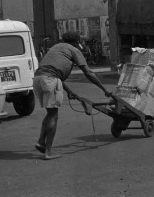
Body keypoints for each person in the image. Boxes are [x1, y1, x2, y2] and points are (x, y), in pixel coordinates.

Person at [33, 30, 112, 160]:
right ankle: (48, 152)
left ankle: (41, 142)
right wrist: (104, 89)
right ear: (77, 41)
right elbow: (88, 73)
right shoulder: (74, 50)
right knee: (53, 115)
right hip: (50, 79)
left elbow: (53, 71)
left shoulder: (55, 48)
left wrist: (69, 91)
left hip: (38, 79)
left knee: (50, 112)